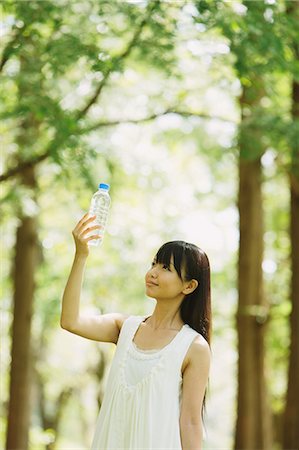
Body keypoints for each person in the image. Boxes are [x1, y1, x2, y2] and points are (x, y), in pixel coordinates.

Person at [61, 212, 212, 450]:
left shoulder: (194, 347)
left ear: (189, 285)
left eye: (166, 268)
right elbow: (70, 321)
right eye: (153, 264)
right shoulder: (125, 328)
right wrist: (81, 255)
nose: (153, 272)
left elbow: (191, 422)